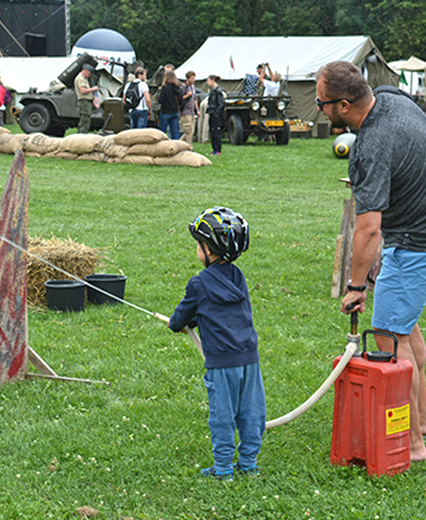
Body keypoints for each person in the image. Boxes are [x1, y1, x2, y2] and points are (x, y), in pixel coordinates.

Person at [316, 61, 426, 462]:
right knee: (404, 325)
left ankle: (412, 446)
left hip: (420, 240)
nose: (320, 110)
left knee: (388, 335)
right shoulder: (393, 98)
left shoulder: (371, 145)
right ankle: (425, 419)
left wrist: (355, 287)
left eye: (321, 103)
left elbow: (367, 230)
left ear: (343, 105)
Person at [168, 207, 265, 481]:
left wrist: (176, 324)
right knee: (251, 412)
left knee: (222, 416)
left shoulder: (199, 283)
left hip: (222, 363)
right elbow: (226, 310)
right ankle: (248, 464)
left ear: (208, 249)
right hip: (249, 357)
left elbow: (181, 317)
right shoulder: (238, 277)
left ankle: (223, 469)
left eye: (198, 245)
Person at [158, 70, 183, 139]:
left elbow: (160, 100)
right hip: (175, 111)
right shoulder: (178, 88)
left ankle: (161, 146)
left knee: (162, 132)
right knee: (175, 132)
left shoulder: (165, 88)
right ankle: (176, 146)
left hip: (166, 111)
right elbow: (181, 101)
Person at [74, 64, 98, 134]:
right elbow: (83, 90)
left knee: (86, 119)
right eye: (89, 74)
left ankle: (83, 133)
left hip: (86, 102)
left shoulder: (84, 79)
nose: (89, 76)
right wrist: (92, 89)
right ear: (85, 71)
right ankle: (82, 134)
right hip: (84, 101)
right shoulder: (80, 79)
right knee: (85, 119)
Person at [179, 71, 200, 144]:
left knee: (191, 131)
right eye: (192, 78)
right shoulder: (182, 87)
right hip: (186, 111)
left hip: (192, 111)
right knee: (188, 131)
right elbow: (179, 99)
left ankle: (178, 143)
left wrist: (197, 110)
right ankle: (189, 147)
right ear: (187, 78)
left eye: (194, 78)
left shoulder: (193, 87)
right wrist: (187, 95)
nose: (193, 80)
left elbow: (195, 99)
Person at [205, 75, 224, 156]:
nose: (207, 83)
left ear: (213, 80)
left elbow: (220, 104)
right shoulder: (213, 91)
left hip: (215, 115)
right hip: (211, 113)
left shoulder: (218, 91)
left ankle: (218, 149)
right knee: (212, 132)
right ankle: (214, 149)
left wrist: (216, 114)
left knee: (216, 132)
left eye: (208, 81)